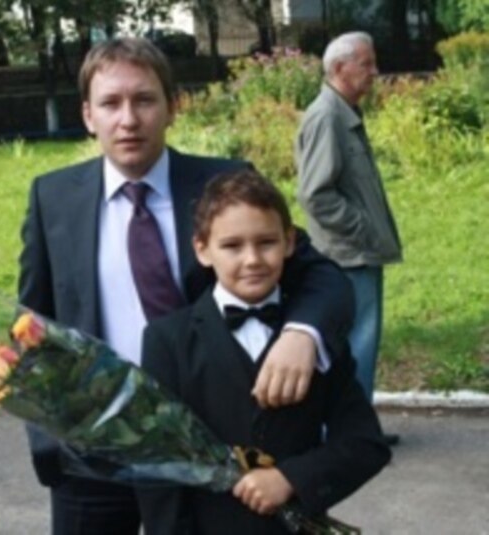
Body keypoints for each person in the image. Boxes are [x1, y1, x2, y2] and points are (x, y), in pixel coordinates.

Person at [18, 38, 355, 534]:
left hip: (212, 456)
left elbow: (323, 276)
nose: (128, 119)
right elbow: (32, 325)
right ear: (88, 115)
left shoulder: (224, 184)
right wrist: (49, 439)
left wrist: (303, 334)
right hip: (94, 455)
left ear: (172, 106)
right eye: (110, 103)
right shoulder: (53, 198)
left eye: (144, 100)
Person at [137, 170, 391, 534]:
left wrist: (292, 478)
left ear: (289, 242)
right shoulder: (167, 340)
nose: (253, 259)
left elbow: (365, 444)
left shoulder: (315, 339)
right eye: (232, 246)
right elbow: (159, 464)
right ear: (202, 250)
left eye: (266, 242)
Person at [295, 32, 402, 444]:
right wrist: (362, 228)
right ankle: (350, 434)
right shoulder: (327, 117)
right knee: (357, 342)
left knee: (358, 343)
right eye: (366, 64)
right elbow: (315, 194)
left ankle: (352, 427)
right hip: (348, 254)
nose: (375, 72)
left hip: (357, 252)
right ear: (340, 68)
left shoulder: (343, 113)